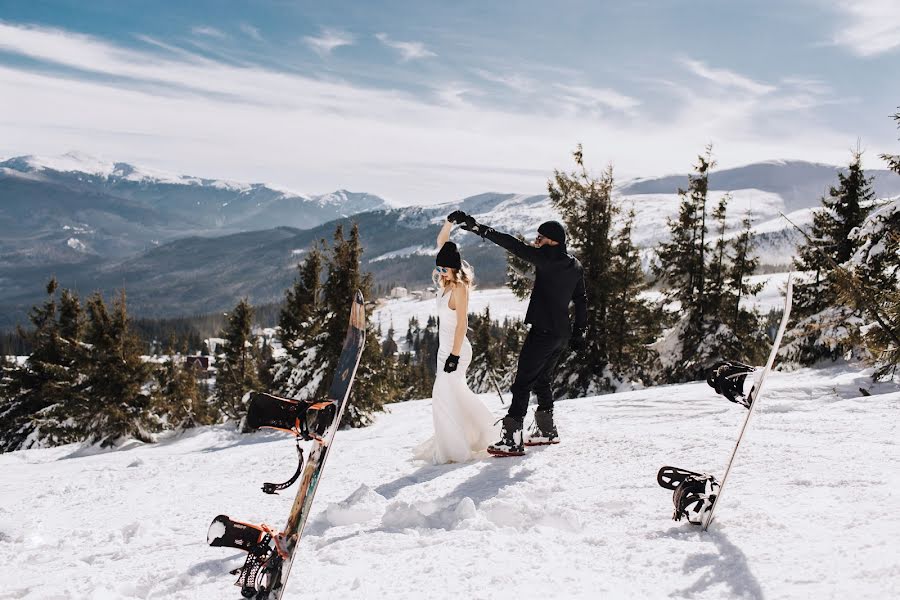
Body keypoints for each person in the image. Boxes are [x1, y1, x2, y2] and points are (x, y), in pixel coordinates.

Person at [452, 212, 587, 457]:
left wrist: (478, 228)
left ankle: (512, 438)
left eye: (541, 237)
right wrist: (579, 332)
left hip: (543, 331)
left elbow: (511, 244)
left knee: (522, 382)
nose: (536, 241)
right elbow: (581, 300)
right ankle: (547, 431)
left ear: (553, 241)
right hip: (562, 335)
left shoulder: (545, 260)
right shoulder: (574, 265)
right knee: (542, 378)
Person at [413, 216, 498, 464]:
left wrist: (454, 355)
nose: (440, 273)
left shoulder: (459, 288)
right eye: (438, 269)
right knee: (454, 394)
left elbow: (463, 324)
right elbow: (442, 241)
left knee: (442, 394)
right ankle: (479, 434)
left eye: (444, 269)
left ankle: (456, 449)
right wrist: (450, 222)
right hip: (445, 350)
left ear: (455, 269)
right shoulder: (445, 281)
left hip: (457, 350)